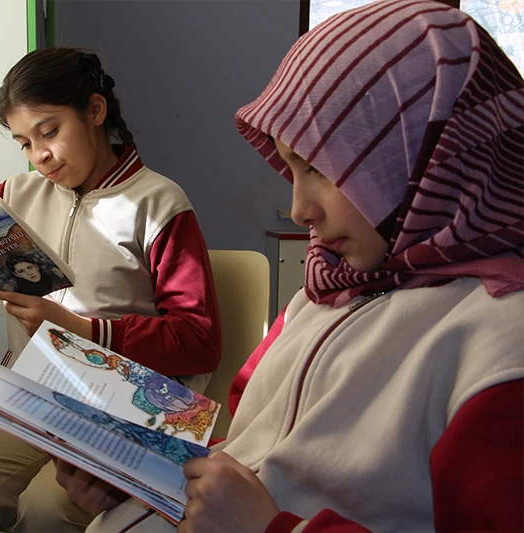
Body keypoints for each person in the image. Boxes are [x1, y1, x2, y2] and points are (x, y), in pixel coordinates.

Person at [60, 2, 524, 531]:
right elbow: (257, 447)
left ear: (418, 158)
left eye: (321, 169)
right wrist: (145, 471)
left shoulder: (497, 346)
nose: (301, 209)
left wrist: (270, 528)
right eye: (291, 169)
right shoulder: (326, 291)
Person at [0, 46, 221, 533]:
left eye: (50, 132)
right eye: (24, 142)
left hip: (129, 408)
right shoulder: (19, 193)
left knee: (47, 513)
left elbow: (199, 339)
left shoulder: (160, 203)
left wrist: (84, 330)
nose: (39, 155)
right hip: (37, 398)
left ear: (95, 111)